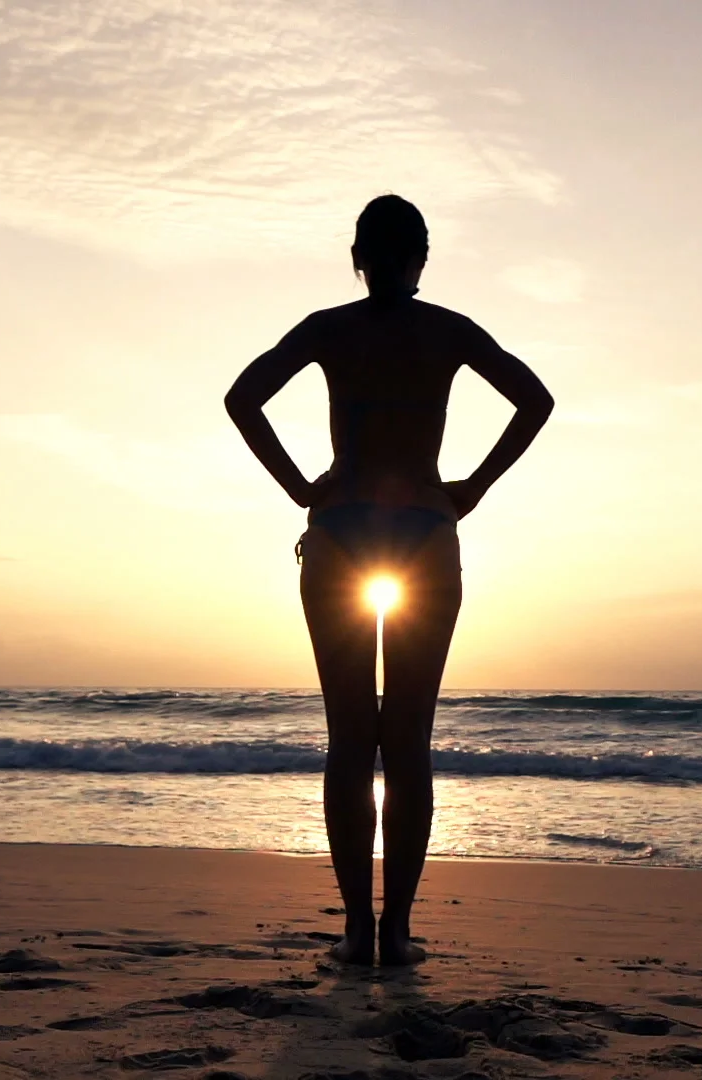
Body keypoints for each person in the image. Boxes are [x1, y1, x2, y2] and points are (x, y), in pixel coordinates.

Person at [225, 195, 554, 966]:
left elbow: (243, 398)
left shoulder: (329, 329)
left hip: (341, 534)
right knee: (407, 741)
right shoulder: (448, 330)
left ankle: (356, 932)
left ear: (359, 257)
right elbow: (534, 401)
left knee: (350, 740)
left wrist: (304, 488)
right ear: (423, 259)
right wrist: (467, 491)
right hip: (424, 537)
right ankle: (396, 932)